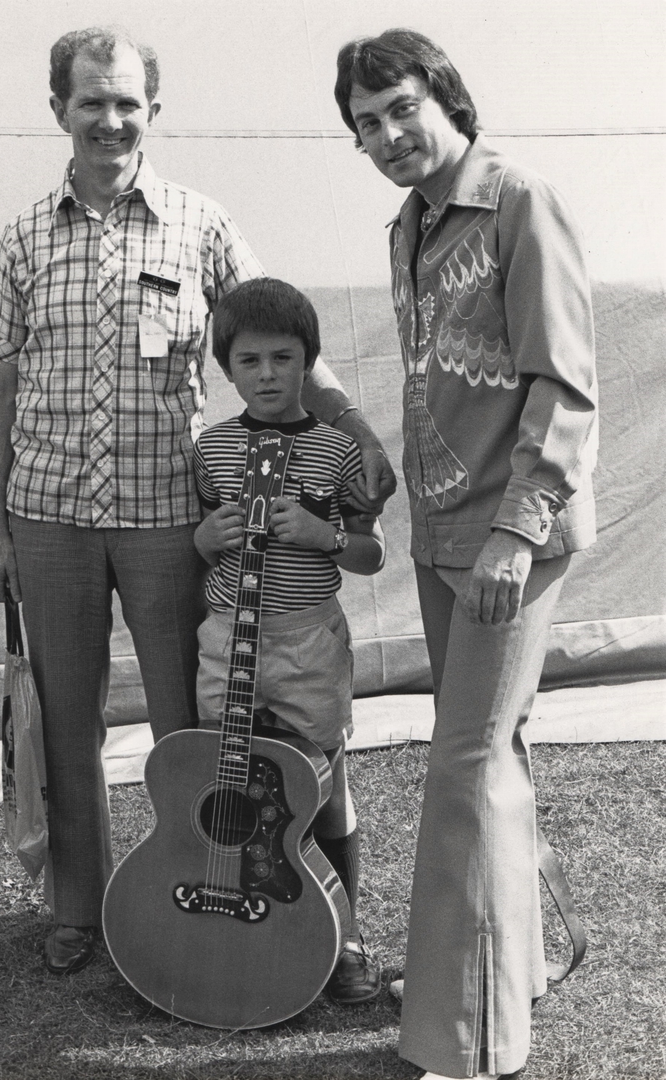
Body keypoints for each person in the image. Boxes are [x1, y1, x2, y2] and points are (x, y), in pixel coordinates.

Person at [0, 25, 395, 977]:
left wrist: (356, 429)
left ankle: (212, 897)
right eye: (92, 101)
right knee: (66, 722)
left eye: (128, 102)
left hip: (174, 522)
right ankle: (78, 909)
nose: (110, 119)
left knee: (196, 727)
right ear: (58, 110)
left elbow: (282, 334)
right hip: (48, 518)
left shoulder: (200, 224)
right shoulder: (23, 236)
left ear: (152, 111)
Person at [334, 28, 597, 1079]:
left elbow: (563, 385)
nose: (387, 134)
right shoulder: (408, 225)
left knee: (464, 765)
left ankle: (468, 1039)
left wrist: (514, 532)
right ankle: (508, 967)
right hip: (442, 535)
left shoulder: (518, 201)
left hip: (506, 537)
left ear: (445, 97)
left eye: (401, 107)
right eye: (365, 124)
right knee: (492, 751)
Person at [193, 277, 386, 1003]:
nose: (268, 374)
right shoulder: (212, 448)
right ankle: (258, 916)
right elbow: (200, 544)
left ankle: (343, 931)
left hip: (307, 641)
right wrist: (204, 538)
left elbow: (370, 554)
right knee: (234, 779)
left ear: (308, 360)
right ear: (226, 368)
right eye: (249, 361)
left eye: (283, 358)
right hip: (228, 640)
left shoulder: (337, 453)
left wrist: (320, 534)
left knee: (321, 785)